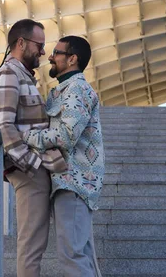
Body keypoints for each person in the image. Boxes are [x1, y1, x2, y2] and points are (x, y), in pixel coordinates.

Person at [0, 19, 66, 277]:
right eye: (39, 45)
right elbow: (1, 125)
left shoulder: (23, 77)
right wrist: (33, 166)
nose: (43, 52)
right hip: (29, 170)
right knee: (31, 246)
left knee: (35, 244)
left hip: (33, 168)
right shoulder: (9, 75)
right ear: (20, 43)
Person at [23, 36, 105, 277]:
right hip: (68, 180)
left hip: (75, 182)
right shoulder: (63, 89)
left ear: (72, 59)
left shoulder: (77, 89)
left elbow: (66, 135)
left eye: (57, 52)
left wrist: (24, 136)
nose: (50, 56)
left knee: (72, 255)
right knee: (79, 254)